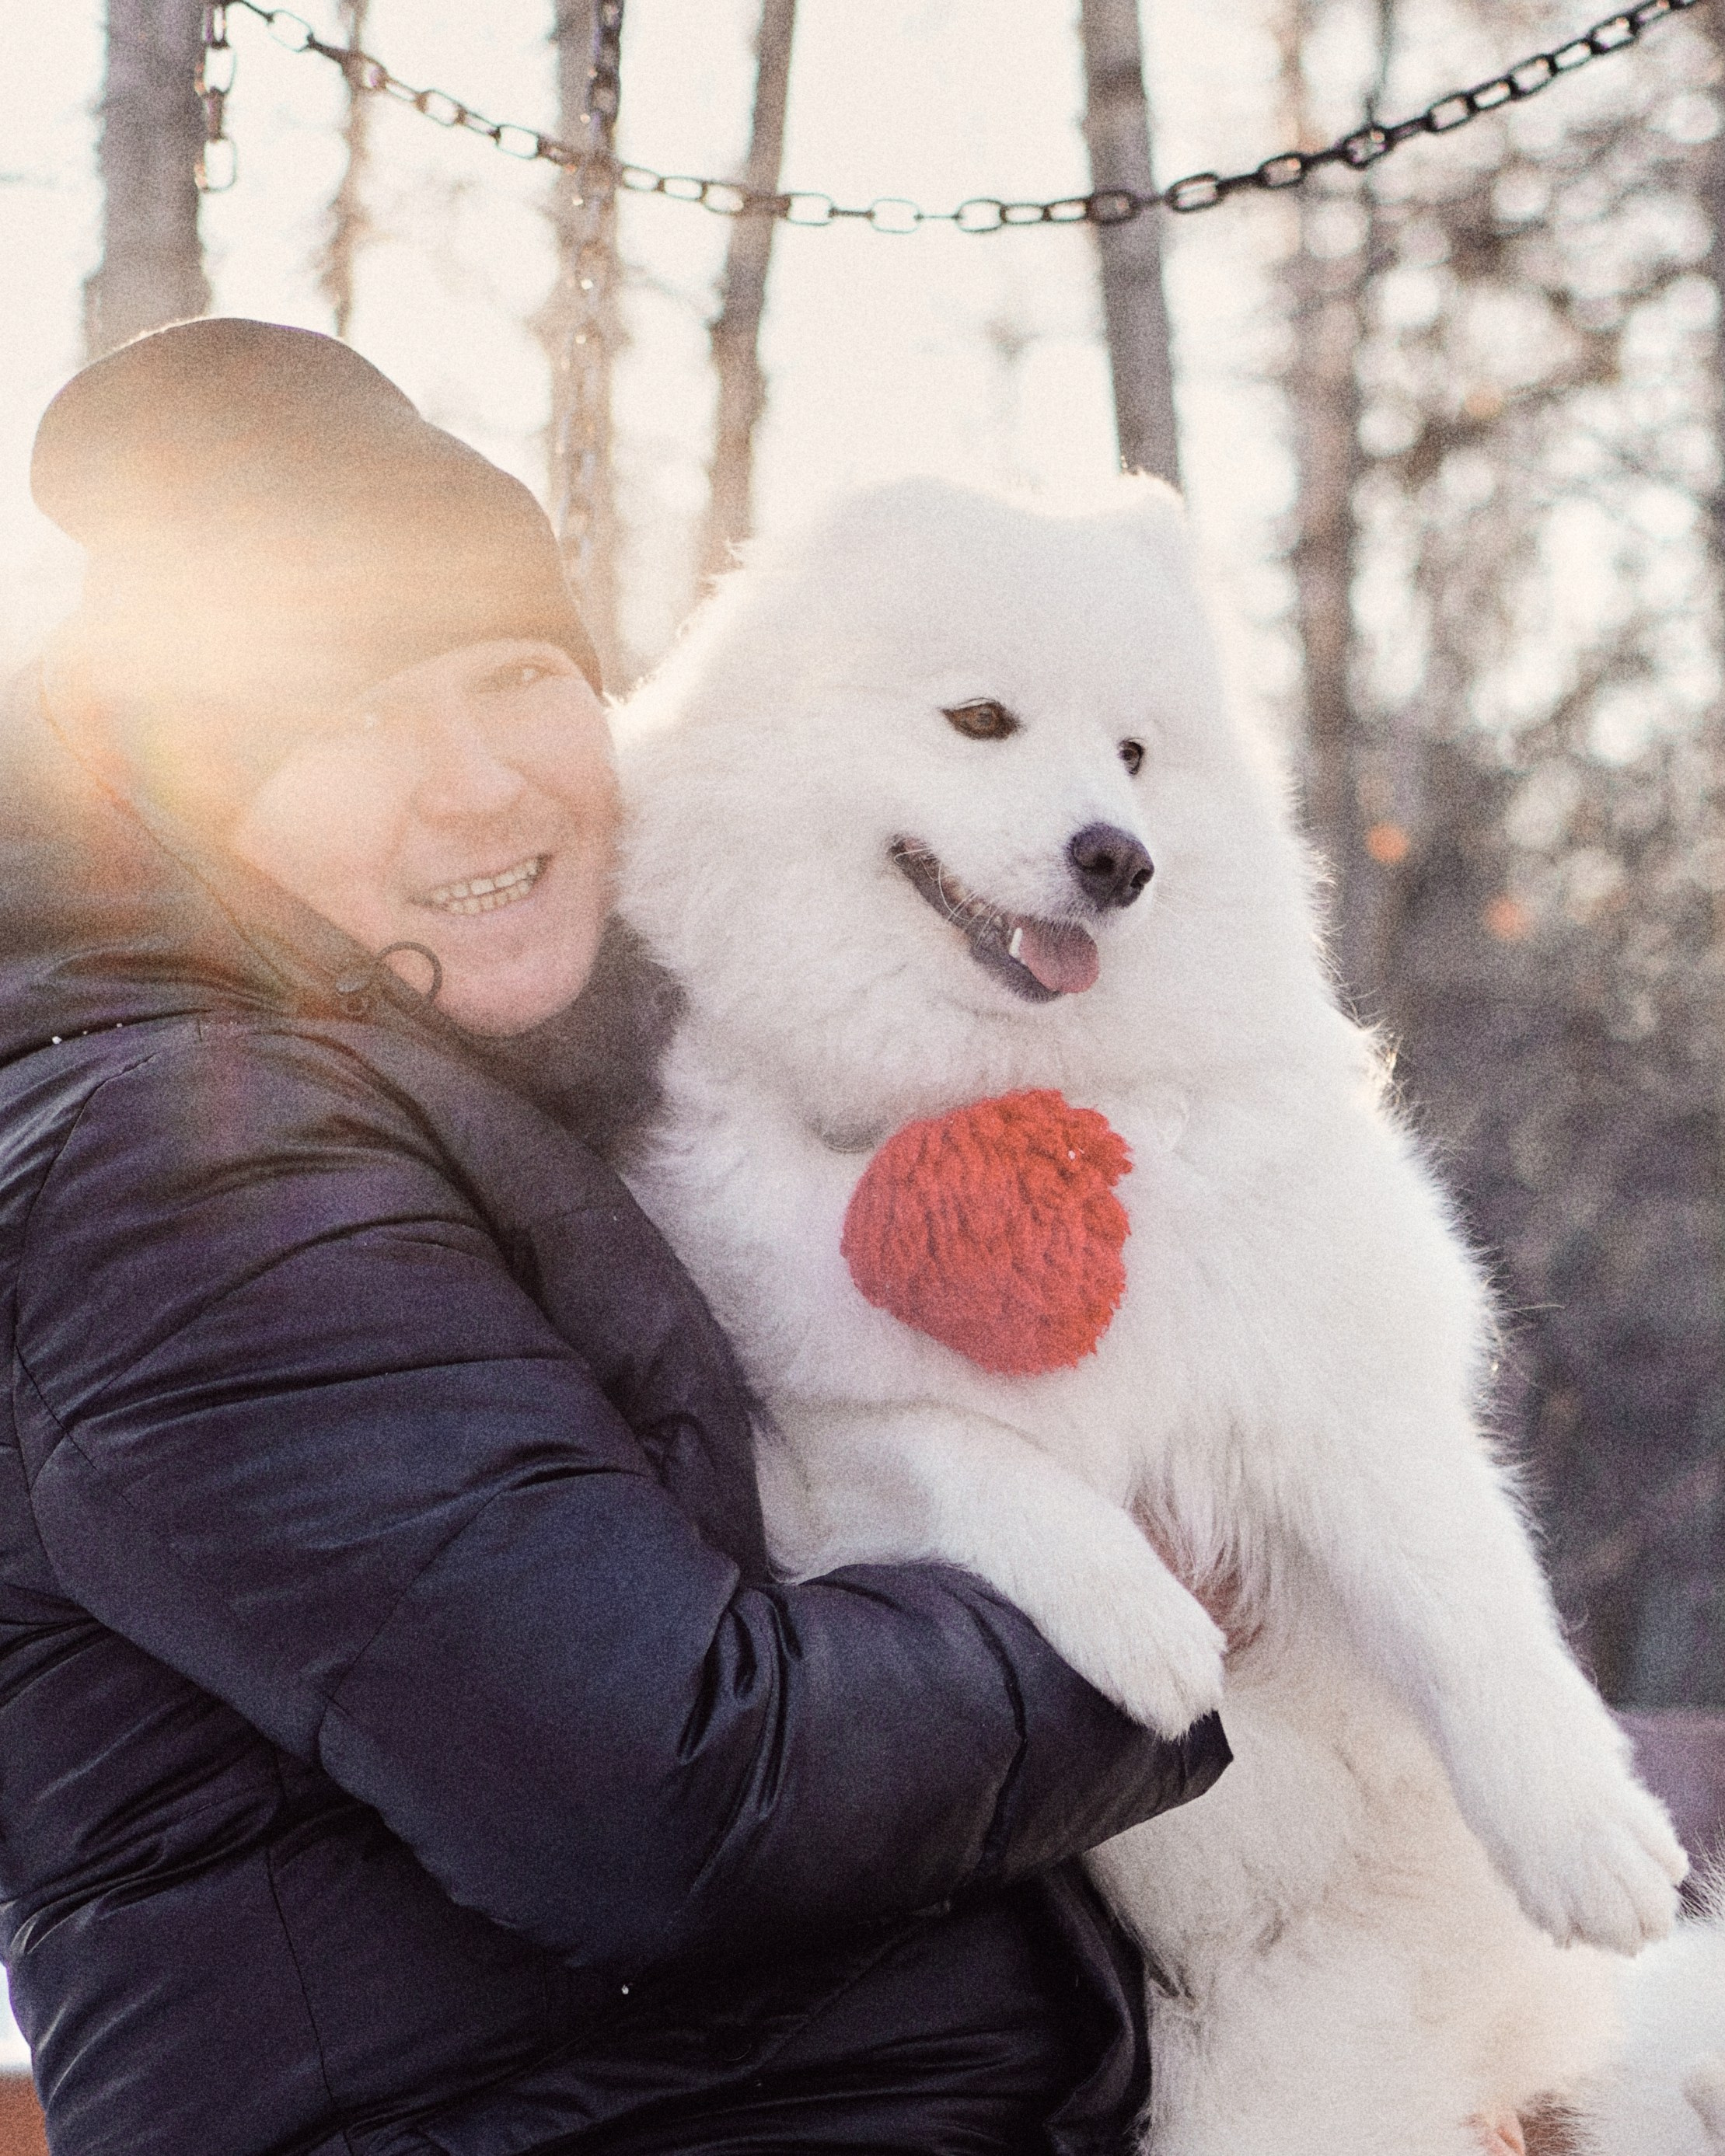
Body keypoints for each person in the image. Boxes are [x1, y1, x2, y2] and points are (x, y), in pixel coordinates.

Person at [0, 319, 1228, 2156]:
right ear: (189, 804)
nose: (482, 780)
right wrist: (1160, 1592)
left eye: (514, 673)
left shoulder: (502, 1080)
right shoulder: (185, 1163)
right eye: (342, 720)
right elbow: (664, 1789)